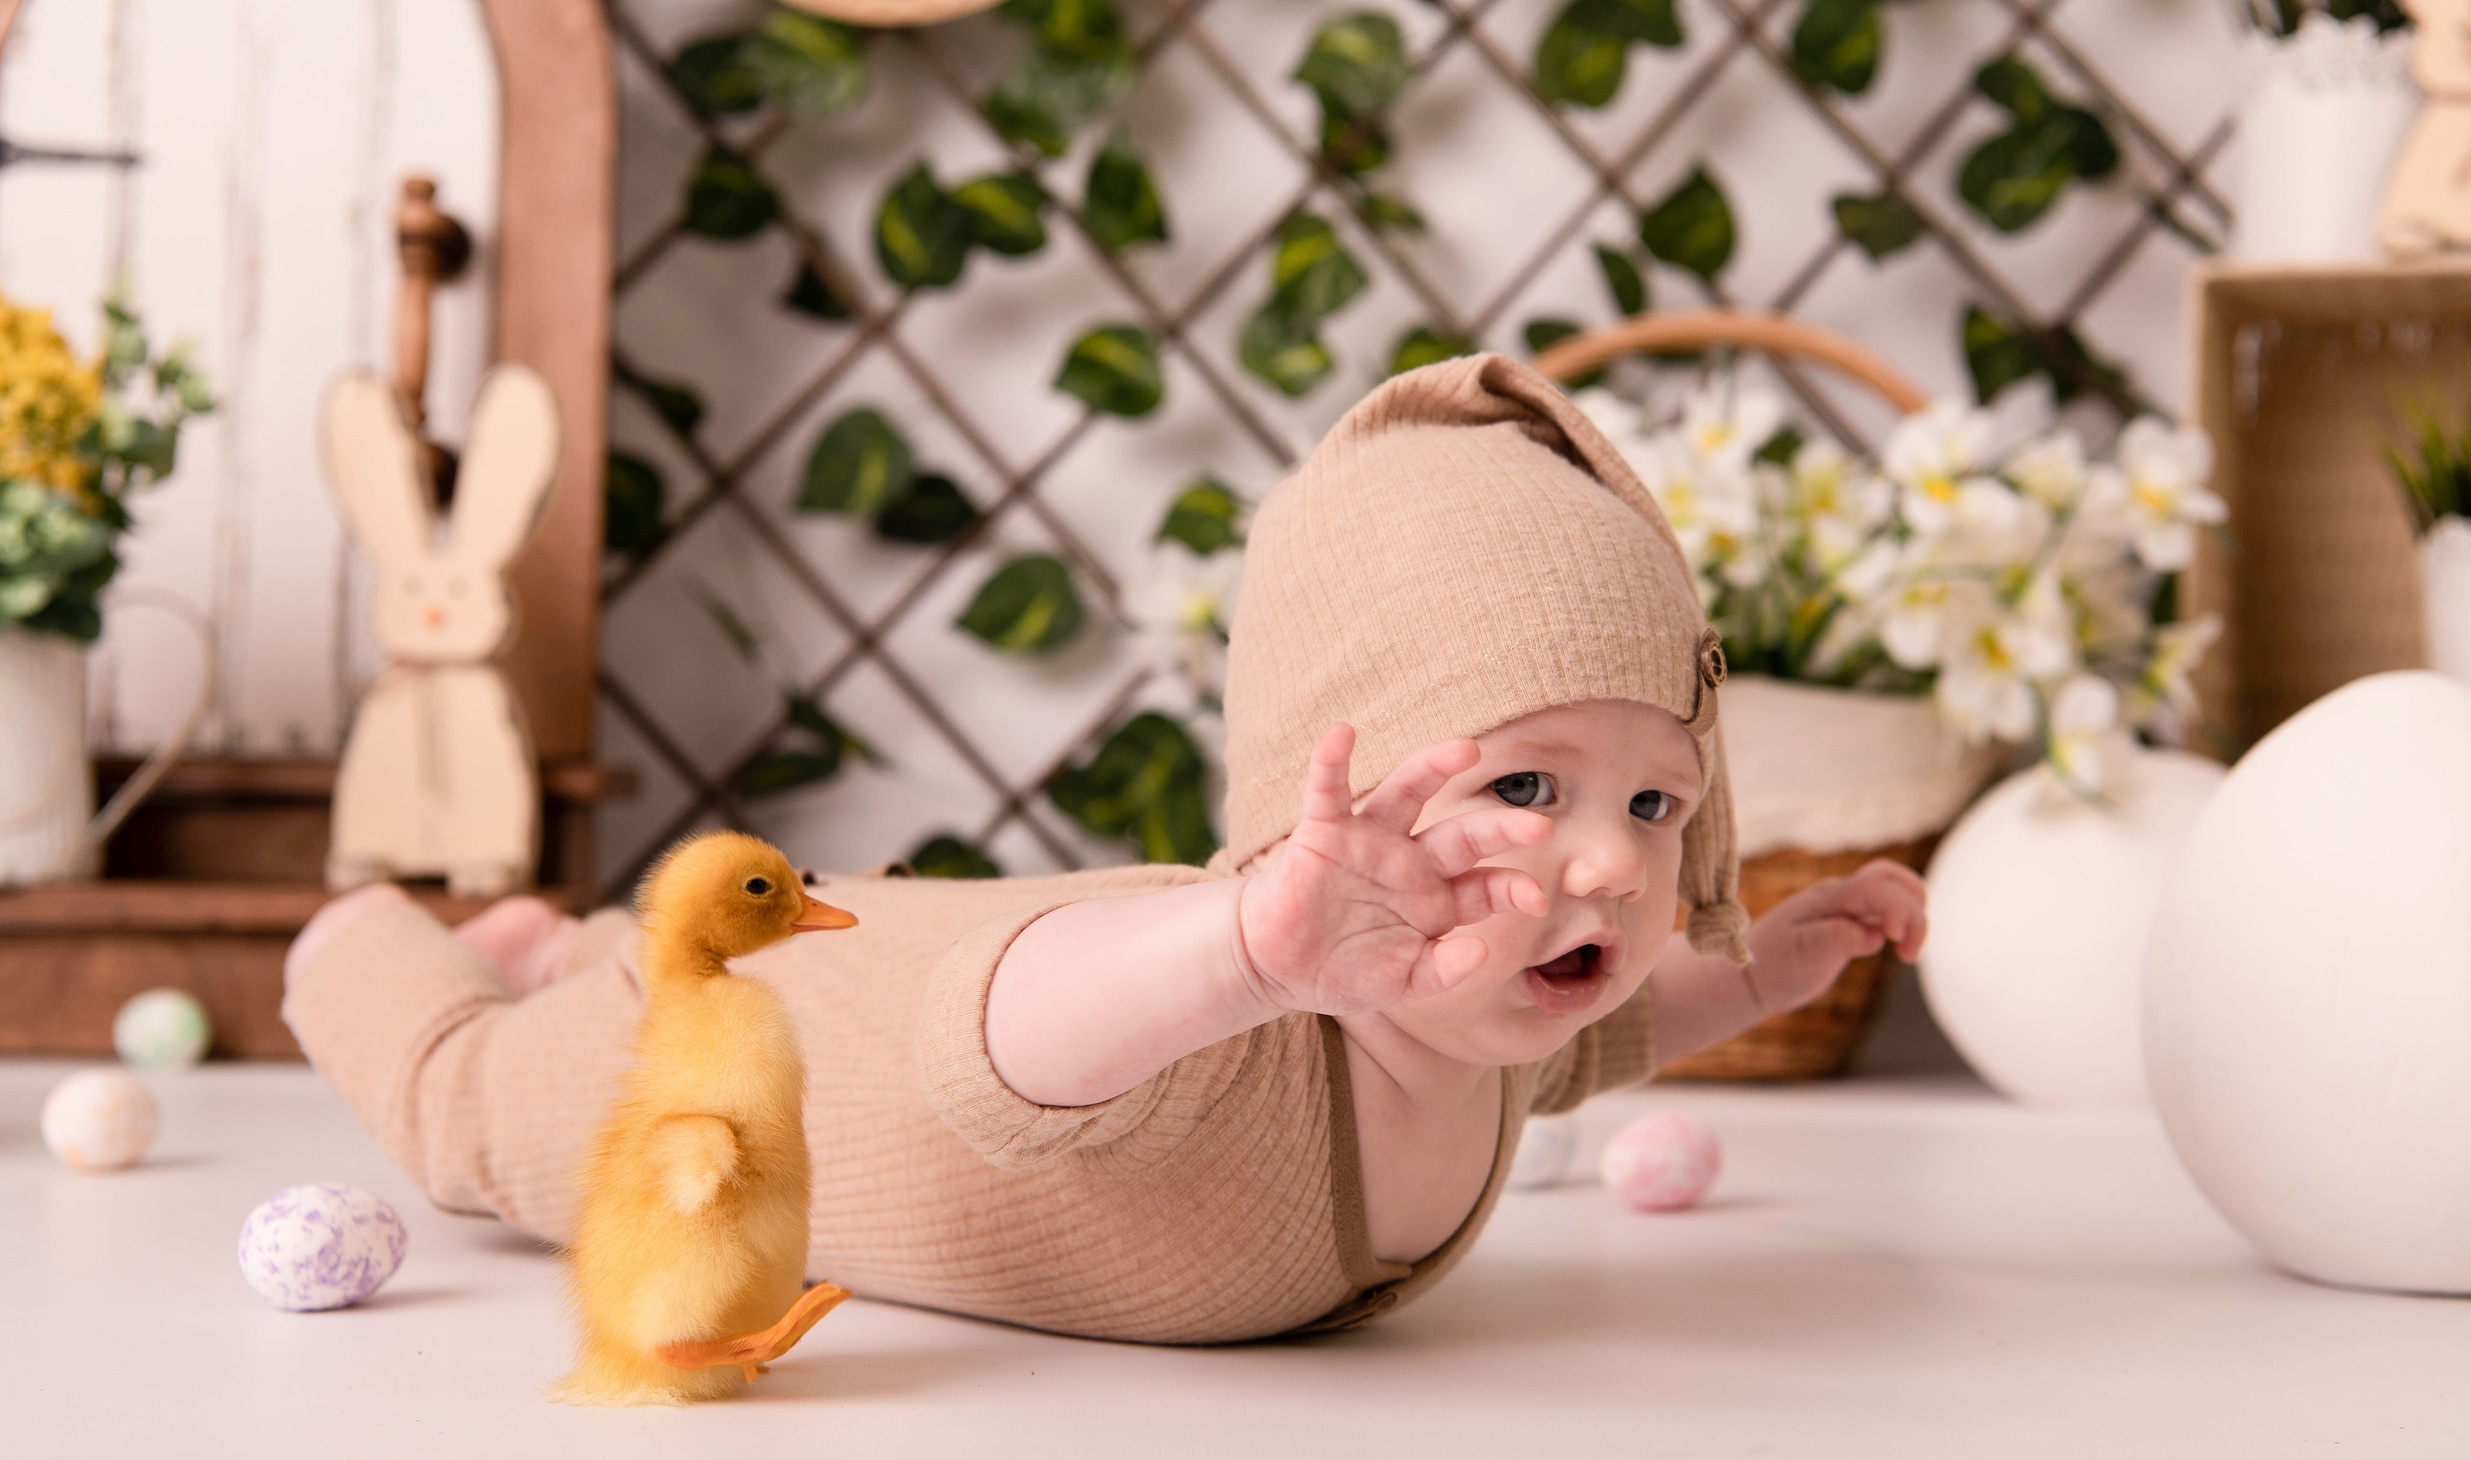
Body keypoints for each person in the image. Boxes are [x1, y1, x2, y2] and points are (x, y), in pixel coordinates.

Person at [284, 354, 1925, 1346]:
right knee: (473, 1107)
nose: (1606, 872)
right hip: (762, 1078)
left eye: (1654, 805)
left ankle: (557, 937)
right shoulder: (1211, 992)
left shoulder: (1483, 1033)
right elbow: (1008, 1037)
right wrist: (1240, 957)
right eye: (1526, 790)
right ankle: (370, 935)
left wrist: (1771, 962)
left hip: (852, 935)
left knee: (722, 928)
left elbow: (1617, 1026)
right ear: (1314, 796)